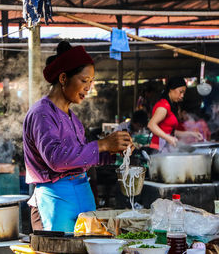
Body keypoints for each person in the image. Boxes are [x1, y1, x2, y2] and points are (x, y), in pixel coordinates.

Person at [23, 41, 133, 232]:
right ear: (64, 78)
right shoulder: (42, 113)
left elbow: (80, 158)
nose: (88, 88)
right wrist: (101, 145)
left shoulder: (72, 117)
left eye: (91, 82)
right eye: (84, 81)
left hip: (82, 194)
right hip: (55, 201)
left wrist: (114, 150)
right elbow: (56, 159)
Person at [148, 77, 203, 152]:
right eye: (181, 92)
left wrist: (191, 134)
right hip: (158, 148)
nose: (182, 95)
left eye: (184, 93)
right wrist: (168, 138)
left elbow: (171, 132)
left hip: (165, 148)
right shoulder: (164, 106)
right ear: (171, 89)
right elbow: (151, 125)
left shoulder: (170, 106)